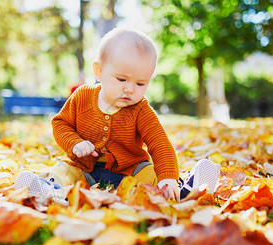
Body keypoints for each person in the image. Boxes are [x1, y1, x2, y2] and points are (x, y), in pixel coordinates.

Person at [14, 28, 219, 201]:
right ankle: (49, 192)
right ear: (99, 71)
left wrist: (168, 176)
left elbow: (160, 144)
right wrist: (75, 143)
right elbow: (60, 124)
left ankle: (184, 189)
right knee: (63, 171)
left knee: (152, 174)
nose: (130, 89)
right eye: (121, 79)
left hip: (129, 170)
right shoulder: (82, 97)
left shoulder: (141, 110)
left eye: (140, 83)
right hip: (83, 168)